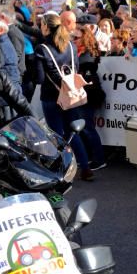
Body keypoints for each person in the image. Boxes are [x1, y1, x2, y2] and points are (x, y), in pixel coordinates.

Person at [35, 13, 94, 181]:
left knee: (57, 135)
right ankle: (85, 167)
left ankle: (62, 170)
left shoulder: (42, 49)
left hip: (51, 97)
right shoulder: (70, 45)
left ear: (46, 27)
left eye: (41, 24)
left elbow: (39, 78)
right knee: (72, 131)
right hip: (70, 94)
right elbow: (74, 70)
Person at [75, 26, 107, 171]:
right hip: (79, 95)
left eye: (76, 38)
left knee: (87, 128)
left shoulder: (88, 55)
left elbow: (87, 77)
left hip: (88, 95)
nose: (73, 40)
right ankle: (88, 157)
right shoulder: (78, 52)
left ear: (84, 38)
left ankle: (99, 159)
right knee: (82, 128)